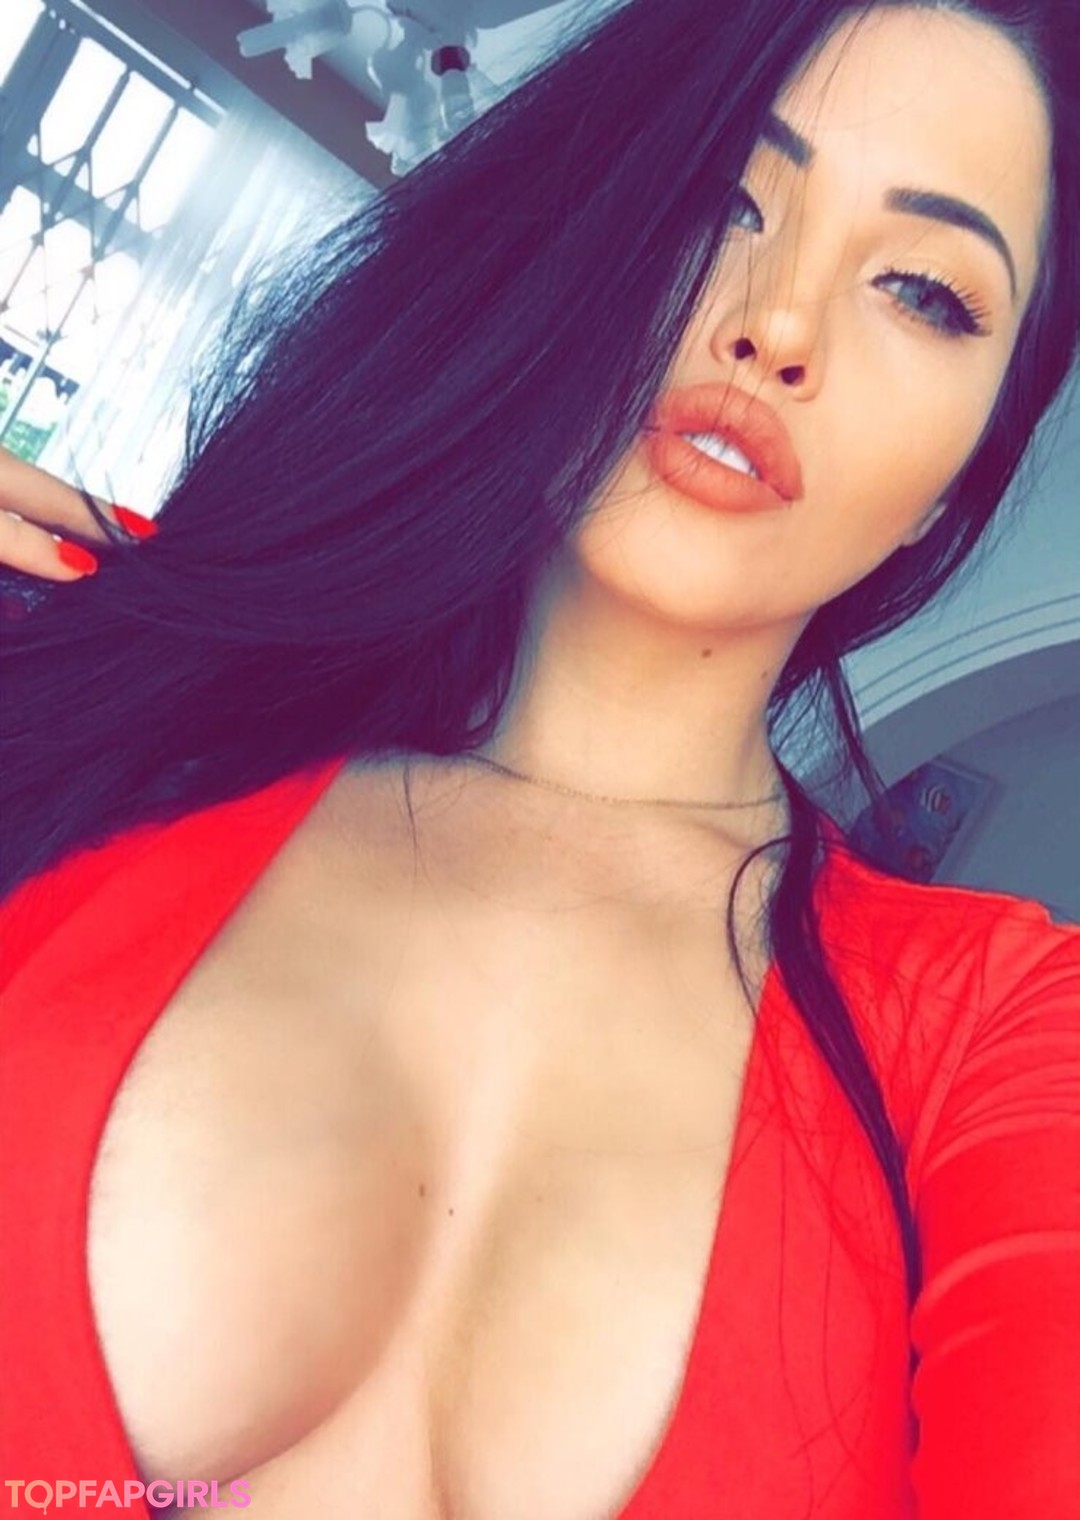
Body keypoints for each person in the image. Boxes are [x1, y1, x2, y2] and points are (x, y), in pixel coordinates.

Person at [1, 0, 1078, 1514]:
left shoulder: (1002, 1037)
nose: (779, 325)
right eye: (726, 199)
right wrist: (121, 634)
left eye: (923, 290)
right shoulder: (105, 719)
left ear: (956, 482)